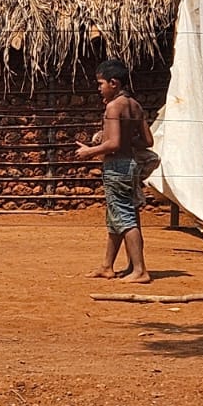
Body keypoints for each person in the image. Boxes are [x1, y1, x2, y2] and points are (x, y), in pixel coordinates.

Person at [74, 58, 155, 285]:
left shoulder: (113, 107)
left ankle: (140, 270)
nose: (99, 89)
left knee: (125, 217)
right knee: (117, 217)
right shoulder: (135, 105)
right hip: (130, 165)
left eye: (101, 84)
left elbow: (114, 144)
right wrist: (124, 140)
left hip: (117, 167)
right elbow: (148, 141)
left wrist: (90, 151)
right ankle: (107, 266)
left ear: (114, 83)